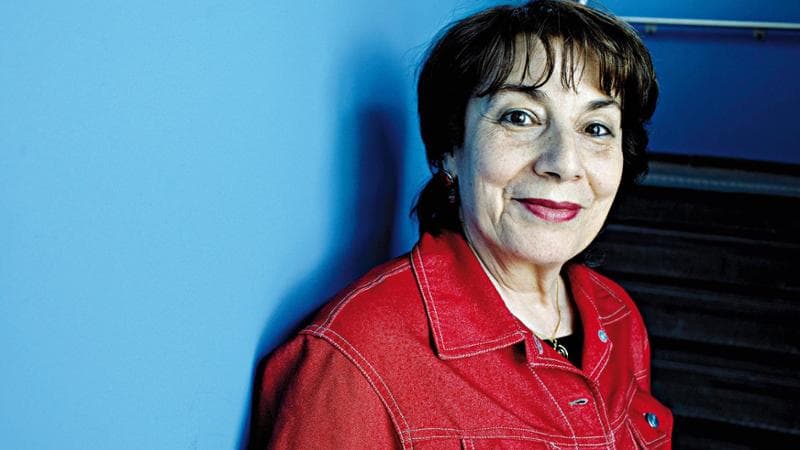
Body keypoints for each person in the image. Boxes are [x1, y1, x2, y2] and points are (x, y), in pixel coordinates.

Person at [249, 0, 672, 448]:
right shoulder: (355, 359)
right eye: (520, 117)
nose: (564, 163)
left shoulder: (616, 314)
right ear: (451, 149)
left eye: (596, 128)